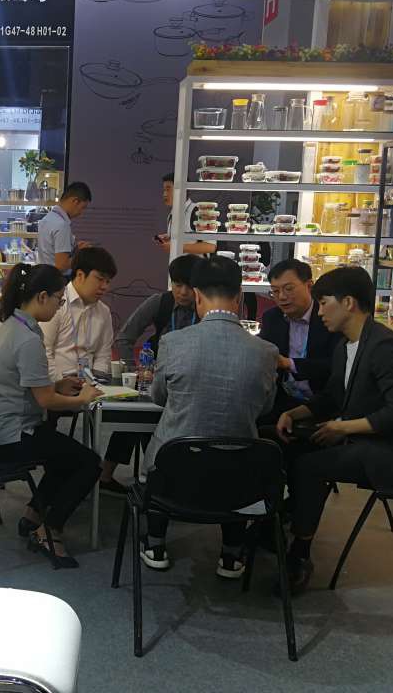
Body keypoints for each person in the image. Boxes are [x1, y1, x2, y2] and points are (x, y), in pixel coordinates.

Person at [276, 267, 393, 595]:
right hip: (359, 438)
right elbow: (332, 397)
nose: (320, 311)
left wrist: (343, 427)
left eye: (324, 302)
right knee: (283, 444)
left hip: (390, 452)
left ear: (348, 303)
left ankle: (300, 551)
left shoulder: (386, 347)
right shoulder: (346, 345)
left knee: (309, 466)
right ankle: (280, 522)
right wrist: (293, 413)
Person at [141, 255, 279, 575]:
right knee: (235, 459)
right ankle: (231, 553)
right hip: (240, 481)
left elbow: (158, 397)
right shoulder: (266, 352)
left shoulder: (173, 343)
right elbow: (266, 407)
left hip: (174, 477)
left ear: (197, 295)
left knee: (162, 454)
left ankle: (155, 543)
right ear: (239, 296)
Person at [0, 263, 102, 568]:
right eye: (59, 300)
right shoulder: (28, 339)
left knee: (64, 455)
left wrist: (58, 385)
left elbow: (28, 387)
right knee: (88, 463)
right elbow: (45, 400)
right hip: (13, 435)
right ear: (42, 296)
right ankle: (50, 530)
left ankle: (33, 514)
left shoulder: (11, 326)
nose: (60, 307)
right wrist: (82, 398)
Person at [104, 253, 204, 493]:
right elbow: (125, 337)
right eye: (177, 285)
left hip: (192, 384)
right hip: (155, 381)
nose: (182, 292)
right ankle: (106, 476)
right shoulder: (160, 302)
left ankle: (160, 483)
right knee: (132, 419)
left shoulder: (206, 309)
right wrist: (135, 370)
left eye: (189, 286)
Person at [259, 258, 342, 424]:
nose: (282, 297)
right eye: (275, 291)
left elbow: (335, 366)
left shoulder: (329, 317)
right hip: (282, 401)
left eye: (288, 289)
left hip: (323, 403)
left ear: (309, 286)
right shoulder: (272, 318)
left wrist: (289, 364)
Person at [40, 246, 116, 381]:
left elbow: (103, 355)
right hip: (56, 384)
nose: (105, 287)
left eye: (108, 281)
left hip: (90, 384)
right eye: (100, 279)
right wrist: (59, 384)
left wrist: (96, 383)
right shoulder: (56, 304)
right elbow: (44, 351)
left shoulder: (104, 311)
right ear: (80, 275)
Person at [36, 182, 92, 273]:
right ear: (75, 201)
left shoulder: (48, 218)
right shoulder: (62, 225)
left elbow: (51, 253)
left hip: (44, 274)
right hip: (55, 278)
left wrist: (75, 250)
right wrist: (81, 256)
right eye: (83, 207)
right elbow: (61, 265)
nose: (81, 213)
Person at [155, 173, 215, 256]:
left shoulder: (200, 212)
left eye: (168, 189)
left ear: (181, 190)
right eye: (164, 190)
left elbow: (210, 247)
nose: (164, 194)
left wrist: (176, 247)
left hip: (196, 264)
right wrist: (170, 237)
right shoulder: (171, 215)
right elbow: (188, 237)